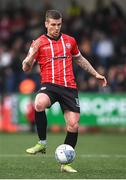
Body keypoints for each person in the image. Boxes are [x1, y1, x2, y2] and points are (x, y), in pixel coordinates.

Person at [22, 10, 107, 173]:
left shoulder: (70, 41)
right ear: (46, 24)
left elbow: (80, 59)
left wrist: (95, 74)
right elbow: (26, 68)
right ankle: (42, 143)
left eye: (59, 25)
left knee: (73, 125)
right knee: (39, 103)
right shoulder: (39, 43)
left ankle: (65, 163)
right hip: (50, 85)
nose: (56, 28)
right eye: (53, 25)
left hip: (69, 88)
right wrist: (30, 55)